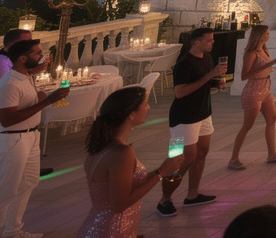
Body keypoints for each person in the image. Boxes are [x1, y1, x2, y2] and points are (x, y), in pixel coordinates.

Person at [77, 86, 181, 238]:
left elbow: (124, 184)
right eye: (145, 104)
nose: (149, 107)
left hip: (99, 226)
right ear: (131, 114)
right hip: (112, 229)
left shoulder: (102, 145)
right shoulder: (122, 152)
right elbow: (119, 204)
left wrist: (162, 169)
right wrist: (161, 173)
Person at [1, 38, 70, 237]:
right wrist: (47, 101)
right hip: (14, 139)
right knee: (7, 189)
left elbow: (30, 79)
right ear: (22, 58)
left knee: (28, 183)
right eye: (37, 53)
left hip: (31, 137)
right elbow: (7, 120)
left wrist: (39, 92)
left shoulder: (25, 76)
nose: (41, 56)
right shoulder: (10, 84)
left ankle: (13, 231)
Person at [157, 27, 228, 217]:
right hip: (183, 118)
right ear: (197, 42)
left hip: (203, 113)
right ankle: (164, 200)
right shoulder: (184, 64)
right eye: (209, 40)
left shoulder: (207, 58)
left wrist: (215, 82)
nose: (212, 43)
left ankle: (192, 195)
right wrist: (210, 76)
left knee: (202, 153)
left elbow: (202, 82)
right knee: (180, 159)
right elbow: (180, 92)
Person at [228, 25, 276, 169]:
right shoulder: (251, 53)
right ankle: (234, 158)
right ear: (259, 35)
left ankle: (271, 154)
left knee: (272, 119)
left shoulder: (264, 49)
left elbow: (263, 68)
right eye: (266, 33)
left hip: (265, 89)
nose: (268, 35)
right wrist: (272, 62)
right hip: (253, 91)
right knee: (247, 125)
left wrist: (273, 67)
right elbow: (244, 76)